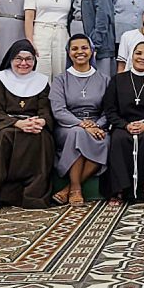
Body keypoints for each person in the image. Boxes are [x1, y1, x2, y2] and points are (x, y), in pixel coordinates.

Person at [0, 39, 54, 210]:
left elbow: (46, 110)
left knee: (43, 137)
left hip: (32, 125)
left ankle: (33, 195)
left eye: (28, 59)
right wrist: (17, 123)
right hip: (4, 125)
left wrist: (41, 121)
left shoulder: (41, 81)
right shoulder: (0, 79)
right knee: (4, 137)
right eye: (19, 59)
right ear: (11, 60)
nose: (24, 63)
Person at [102, 41, 144, 206]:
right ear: (132, 55)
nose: (142, 58)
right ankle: (120, 189)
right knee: (118, 140)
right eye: (139, 53)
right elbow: (110, 110)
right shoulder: (118, 80)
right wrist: (125, 125)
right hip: (124, 124)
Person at [49, 34, 110, 207]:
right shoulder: (61, 80)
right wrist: (82, 124)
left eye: (84, 48)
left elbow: (109, 110)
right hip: (68, 127)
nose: (79, 52)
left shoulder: (104, 79)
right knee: (78, 134)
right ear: (68, 53)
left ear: (92, 52)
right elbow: (58, 110)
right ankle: (76, 188)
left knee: (104, 141)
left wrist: (97, 125)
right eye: (74, 49)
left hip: (97, 125)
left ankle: (68, 188)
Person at [24, 0, 73, 83]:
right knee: (41, 73)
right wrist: (30, 41)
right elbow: (29, 17)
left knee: (60, 74)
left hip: (62, 33)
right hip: (41, 33)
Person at [68, 0, 115, 78]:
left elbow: (103, 18)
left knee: (100, 81)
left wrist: (94, 45)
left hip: (97, 46)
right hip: (79, 42)